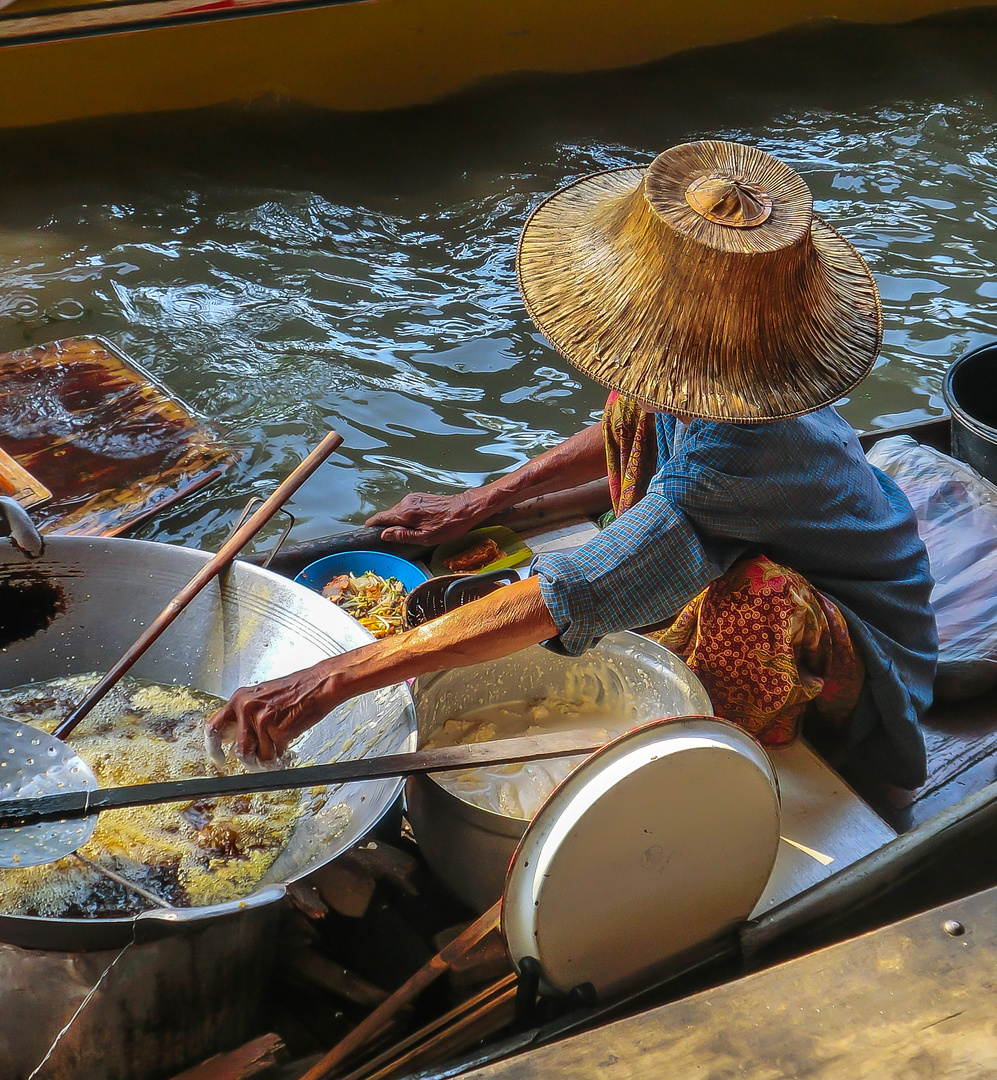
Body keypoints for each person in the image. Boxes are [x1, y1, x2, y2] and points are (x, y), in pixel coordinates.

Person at [208, 140, 938, 795]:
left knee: (753, 600)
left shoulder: (742, 448)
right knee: (631, 404)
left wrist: (331, 679)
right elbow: (627, 424)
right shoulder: (705, 382)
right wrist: (482, 500)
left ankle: (734, 760)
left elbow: (573, 591)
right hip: (751, 525)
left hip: (860, 642)